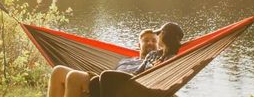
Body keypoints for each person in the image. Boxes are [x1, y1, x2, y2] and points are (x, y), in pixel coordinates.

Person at [47, 23, 184, 97]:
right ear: (138, 45)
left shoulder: (159, 59)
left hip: (130, 87)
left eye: (154, 40)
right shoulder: (125, 60)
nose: (150, 43)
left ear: (159, 42)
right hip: (107, 83)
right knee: (58, 71)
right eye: (146, 40)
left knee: (75, 76)